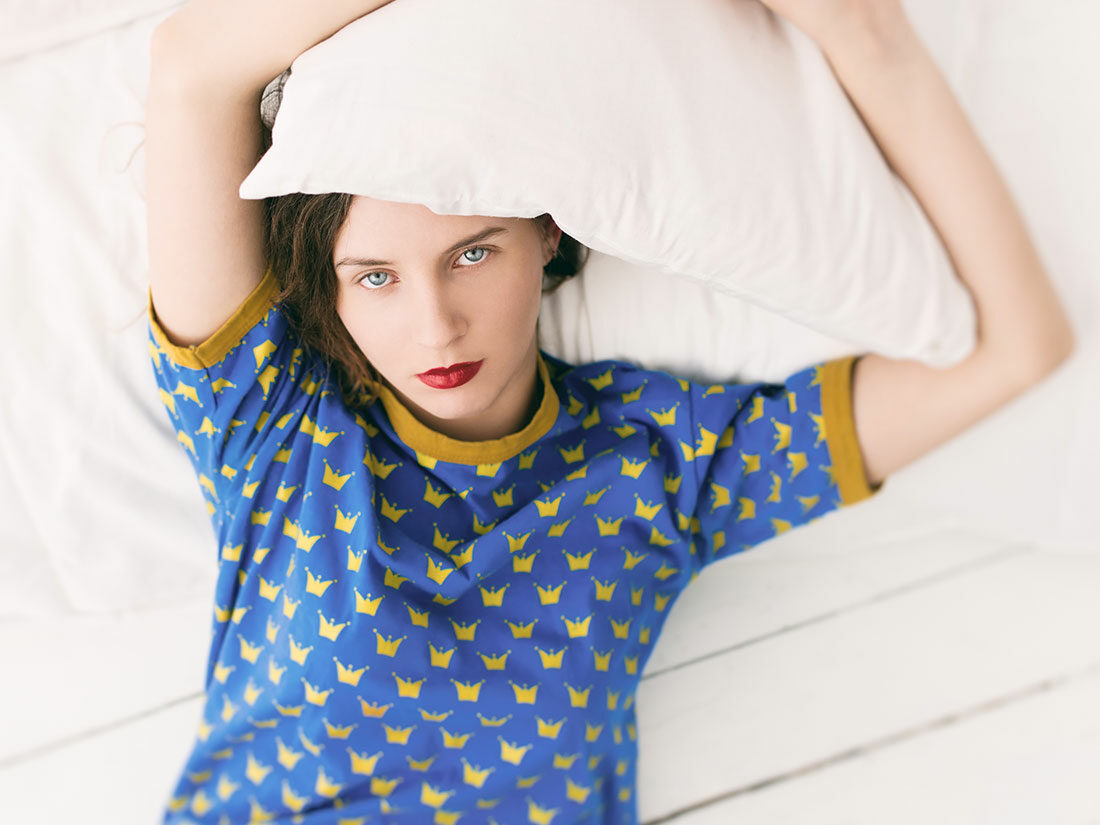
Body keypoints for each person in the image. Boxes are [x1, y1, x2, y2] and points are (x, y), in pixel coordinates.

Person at [143, 0, 1075, 823]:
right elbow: (192, 67)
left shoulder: (661, 460)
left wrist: (860, 29)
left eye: (474, 253)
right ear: (332, 291)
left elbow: (1019, 347)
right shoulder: (273, 432)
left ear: (547, 232)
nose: (436, 327)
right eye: (376, 277)